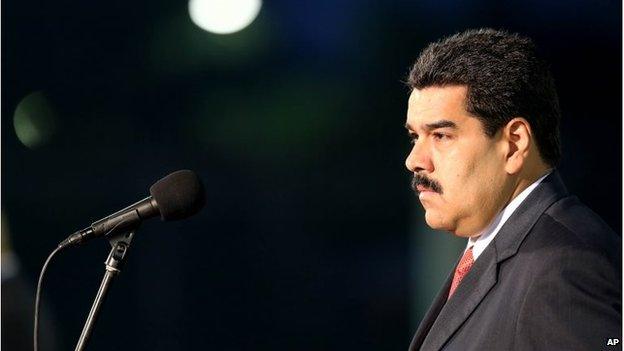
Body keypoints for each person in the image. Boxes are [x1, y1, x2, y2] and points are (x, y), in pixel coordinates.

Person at [404, 28, 621, 351]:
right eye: (414, 137)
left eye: (441, 136)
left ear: (514, 144)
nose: (414, 161)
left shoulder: (564, 268)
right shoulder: (504, 249)